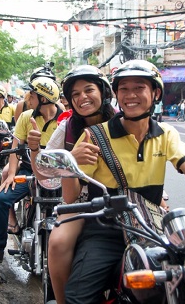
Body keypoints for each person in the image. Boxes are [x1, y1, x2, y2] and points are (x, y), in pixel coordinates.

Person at [60, 60, 185, 303]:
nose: (130, 95)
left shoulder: (166, 133)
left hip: (151, 228)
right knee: (78, 297)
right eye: (124, 89)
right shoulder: (94, 135)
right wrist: (72, 163)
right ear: (116, 95)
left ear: (155, 93)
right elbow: (70, 196)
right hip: (106, 230)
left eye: (139, 88)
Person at [32, 65, 115, 304]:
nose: (82, 98)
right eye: (75, 94)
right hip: (82, 203)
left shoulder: (122, 122)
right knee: (57, 242)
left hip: (125, 199)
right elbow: (45, 174)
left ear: (103, 91)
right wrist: (36, 149)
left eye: (88, 90)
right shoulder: (67, 127)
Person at [0, 76, 62, 263]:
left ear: (43, 99)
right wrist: (11, 174)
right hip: (29, 172)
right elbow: (16, 148)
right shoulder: (27, 117)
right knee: (1, 199)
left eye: (32, 95)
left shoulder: (65, 118)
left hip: (60, 175)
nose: (28, 99)